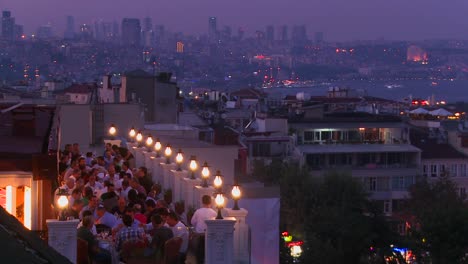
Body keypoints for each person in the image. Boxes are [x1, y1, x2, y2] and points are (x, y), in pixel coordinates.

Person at [190, 195, 217, 264]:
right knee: (208, 252)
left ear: (202, 202)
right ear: (210, 202)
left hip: (199, 235)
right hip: (209, 236)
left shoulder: (198, 211)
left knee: (199, 253)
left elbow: (192, 222)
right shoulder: (214, 213)